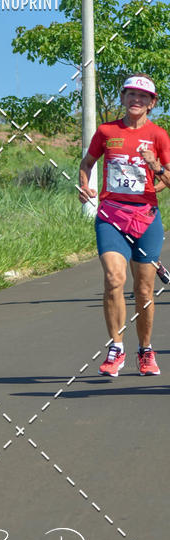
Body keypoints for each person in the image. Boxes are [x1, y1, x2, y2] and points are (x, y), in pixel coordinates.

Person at [78, 74, 170, 377]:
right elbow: (87, 163)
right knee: (113, 279)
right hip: (111, 216)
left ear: (152, 103)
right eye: (131, 94)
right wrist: (84, 186)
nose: (136, 100)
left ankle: (145, 350)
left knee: (143, 289)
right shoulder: (107, 131)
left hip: (145, 218)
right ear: (122, 98)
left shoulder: (158, 135)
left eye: (143, 97)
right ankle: (116, 348)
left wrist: (155, 166)